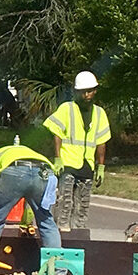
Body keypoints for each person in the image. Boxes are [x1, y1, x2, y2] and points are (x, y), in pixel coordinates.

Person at [0, 144, 62, 259]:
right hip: (45, 171)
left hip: (14, 170)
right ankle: (57, 268)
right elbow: (30, 201)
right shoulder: (28, 152)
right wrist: (25, 224)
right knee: (47, 222)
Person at [42, 71, 111, 232]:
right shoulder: (67, 109)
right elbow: (57, 133)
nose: (86, 95)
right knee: (65, 203)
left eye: (89, 91)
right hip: (68, 164)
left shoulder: (100, 114)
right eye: (82, 91)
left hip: (87, 165)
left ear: (95, 91)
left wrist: (101, 166)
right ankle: (60, 234)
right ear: (76, 92)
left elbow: (102, 142)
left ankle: (79, 236)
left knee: (82, 207)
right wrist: (57, 158)